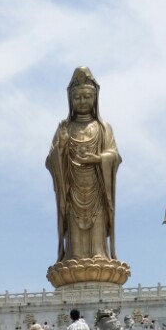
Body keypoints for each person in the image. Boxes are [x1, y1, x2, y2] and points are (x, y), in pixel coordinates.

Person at [46, 66, 122, 263]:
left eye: (87, 96)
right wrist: (61, 146)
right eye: (77, 97)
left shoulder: (103, 128)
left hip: (97, 185)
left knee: (97, 219)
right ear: (70, 99)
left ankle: (99, 253)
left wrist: (98, 159)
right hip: (72, 187)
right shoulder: (65, 127)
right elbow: (51, 160)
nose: (82, 101)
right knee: (73, 222)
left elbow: (114, 155)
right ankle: (75, 254)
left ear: (95, 98)